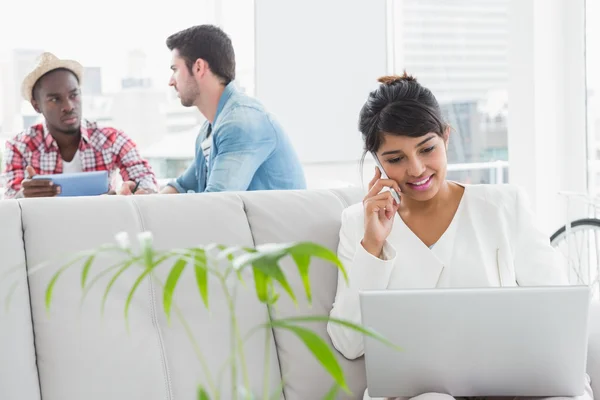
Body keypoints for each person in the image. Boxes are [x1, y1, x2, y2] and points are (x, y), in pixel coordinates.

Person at [326, 72, 593, 400]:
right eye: (396, 159)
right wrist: (373, 245)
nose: (417, 169)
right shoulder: (359, 224)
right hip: (420, 394)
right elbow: (349, 344)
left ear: (446, 138)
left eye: (427, 149)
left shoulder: (504, 206)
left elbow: (560, 317)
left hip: (510, 385)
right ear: (377, 163)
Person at [161, 25, 306, 194]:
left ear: (199, 67)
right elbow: (182, 186)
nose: (171, 81)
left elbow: (218, 204)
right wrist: (141, 200)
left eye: (175, 70)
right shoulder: (209, 129)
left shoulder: (240, 122)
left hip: (277, 221)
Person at [3, 52, 158, 199]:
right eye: (55, 99)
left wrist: (137, 190)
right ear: (36, 106)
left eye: (74, 95)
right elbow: (9, 203)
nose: (69, 106)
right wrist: (23, 196)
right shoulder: (20, 146)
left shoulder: (112, 138)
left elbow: (145, 179)